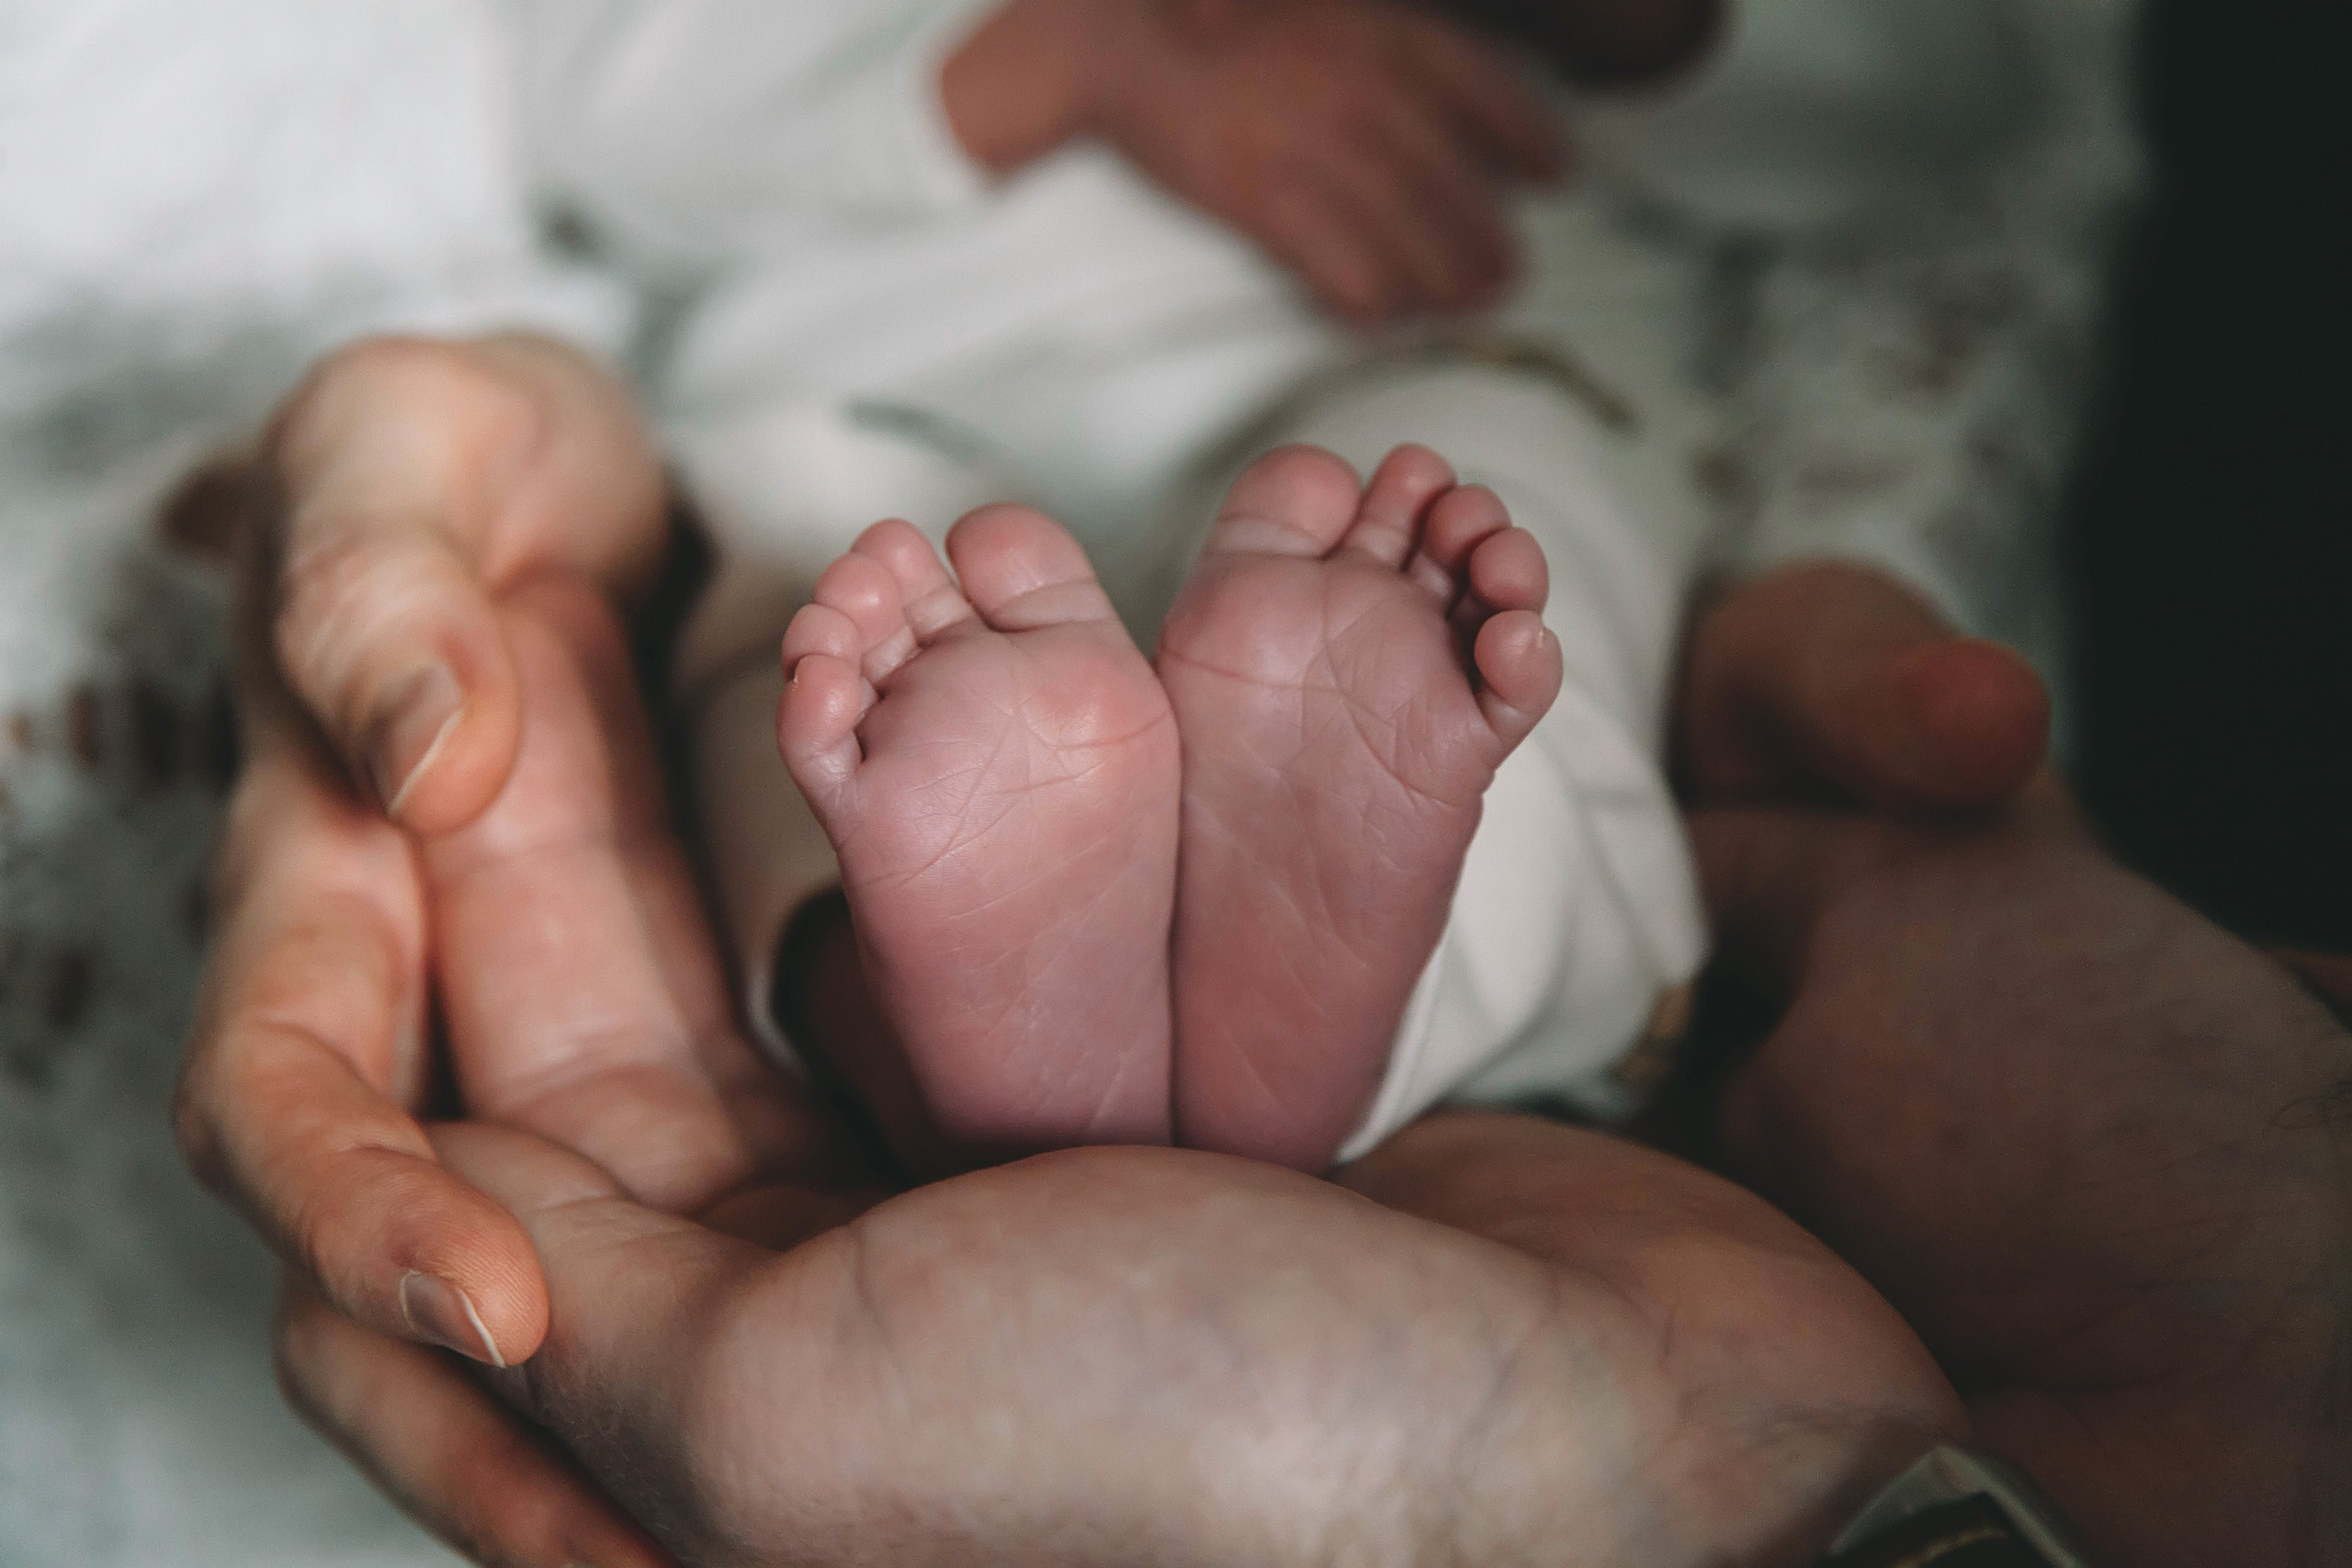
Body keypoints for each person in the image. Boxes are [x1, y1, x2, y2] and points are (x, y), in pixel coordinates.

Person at [181, 337, 2348, 1565]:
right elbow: (648, 92)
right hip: (909, 371)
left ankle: (973, 1039)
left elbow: (1915, 160)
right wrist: (1004, 71)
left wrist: (1659, 56)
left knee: (832, 628)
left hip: (1394, 346)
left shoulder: (1603, 145)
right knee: (802, 544)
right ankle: (1175, 1029)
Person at [466, 0, 2095, 1169]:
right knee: (821, 603)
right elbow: (614, 105)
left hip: (1446, 341)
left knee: (1465, 583)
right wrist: (1073, 50)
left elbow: (1934, 110)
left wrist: (1646, 30)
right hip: (901, 398)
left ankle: (1336, 1007)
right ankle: (962, 1032)